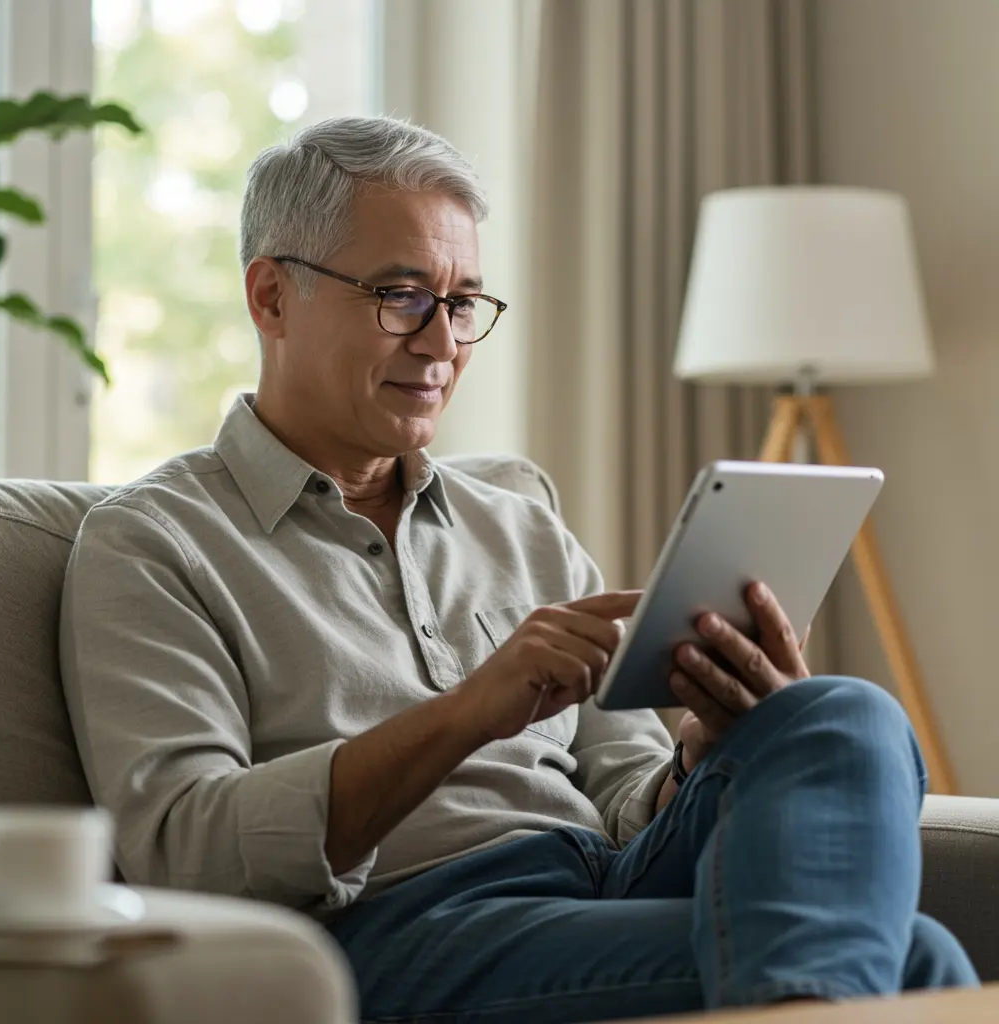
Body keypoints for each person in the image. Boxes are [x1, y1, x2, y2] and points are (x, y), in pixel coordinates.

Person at [59, 116, 977, 1021]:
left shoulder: (518, 528)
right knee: (919, 962)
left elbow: (625, 799)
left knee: (841, 712)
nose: (441, 343)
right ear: (270, 297)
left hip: (595, 882)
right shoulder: (153, 543)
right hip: (398, 928)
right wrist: (467, 714)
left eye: (462, 305)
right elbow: (185, 850)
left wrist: (703, 742)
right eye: (400, 295)